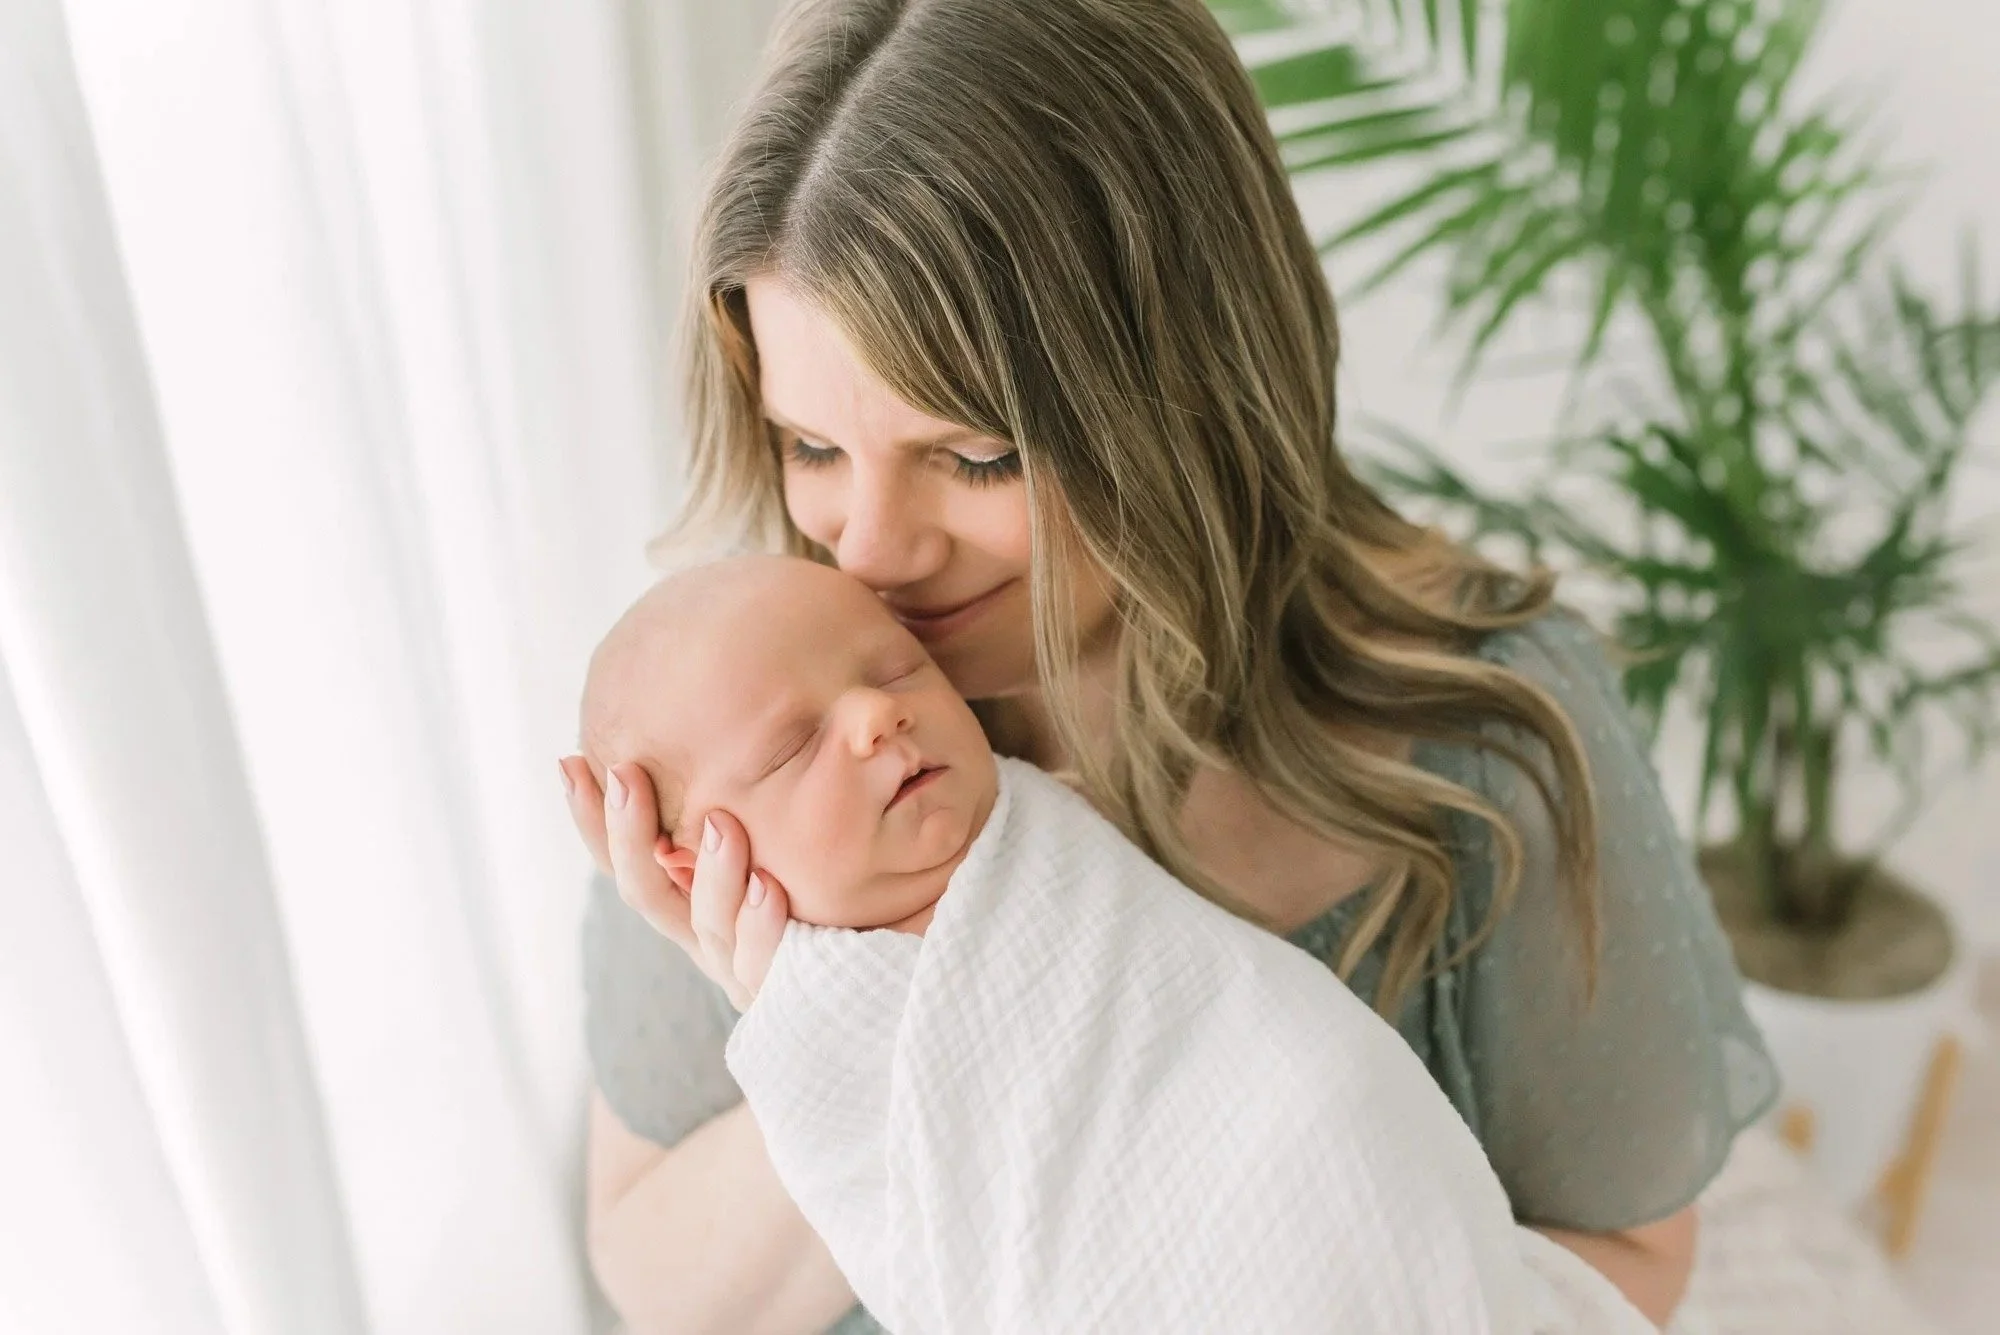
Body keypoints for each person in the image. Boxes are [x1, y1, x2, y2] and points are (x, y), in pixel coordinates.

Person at [556, 1, 1779, 1331]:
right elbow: (657, 1282)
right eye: (811, 447)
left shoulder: (1486, 727)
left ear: (1182, 384)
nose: (871, 549)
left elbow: (1617, 1262)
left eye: (974, 455)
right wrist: (843, 1003)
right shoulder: (742, 712)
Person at [575, 552, 1654, 1333]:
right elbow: (910, 1236)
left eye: (897, 670)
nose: (874, 717)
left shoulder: (1055, 822)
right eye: (792, 745)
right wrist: (801, 1009)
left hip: (1334, 1169)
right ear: (690, 861)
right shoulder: (815, 1015)